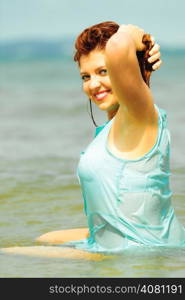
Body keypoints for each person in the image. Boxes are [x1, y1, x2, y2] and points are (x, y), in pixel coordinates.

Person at [2, 21, 185, 259]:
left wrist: (141, 39)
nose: (93, 85)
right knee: (45, 238)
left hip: (138, 252)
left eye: (103, 71)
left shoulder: (141, 114)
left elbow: (120, 45)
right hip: (119, 242)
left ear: (125, 69)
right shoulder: (115, 125)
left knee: (7, 254)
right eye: (85, 76)